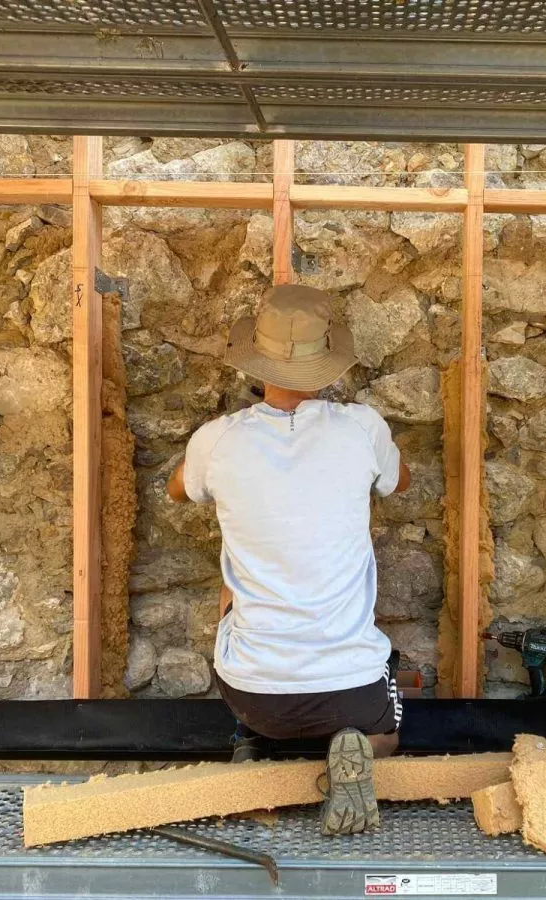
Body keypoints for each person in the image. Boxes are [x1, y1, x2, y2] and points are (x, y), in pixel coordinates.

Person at [167, 283, 411, 836]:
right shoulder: (363, 428)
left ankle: (253, 740)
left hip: (253, 694)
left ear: (257, 358)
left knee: (237, 569)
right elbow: (399, 482)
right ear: (327, 363)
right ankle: (354, 747)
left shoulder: (217, 439)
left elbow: (178, 490)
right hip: (352, 691)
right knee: (389, 733)